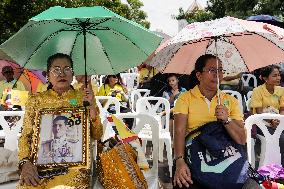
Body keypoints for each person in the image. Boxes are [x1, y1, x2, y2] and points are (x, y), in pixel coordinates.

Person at [17, 53, 103, 188]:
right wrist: (25, 163)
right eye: (56, 70)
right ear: (48, 75)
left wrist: (92, 106)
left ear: (73, 74)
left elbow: (97, 134)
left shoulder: (84, 98)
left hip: (74, 167)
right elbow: (25, 136)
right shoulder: (36, 100)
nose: (61, 74)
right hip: (39, 167)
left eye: (67, 69)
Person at [173, 54, 258, 189]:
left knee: (252, 186)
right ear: (199, 75)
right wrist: (179, 161)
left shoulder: (230, 100)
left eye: (220, 70)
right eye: (212, 70)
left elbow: (242, 139)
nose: (217, 75)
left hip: (227, 155)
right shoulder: (185, 99)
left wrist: (227, 120)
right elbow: (179, 131)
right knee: (183, 182)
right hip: (196, 155)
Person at [250, 65, 284, 166]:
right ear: (265, 78)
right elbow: (260, 113)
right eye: (274, 76)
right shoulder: (257, 91)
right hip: (262, 123)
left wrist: (279, 121)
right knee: (281, 138)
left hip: (279, 121)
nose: (278, 78)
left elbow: (282, 109)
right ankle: (280, 167)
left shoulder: (281, 90)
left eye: (279, 75)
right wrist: (271, 121)